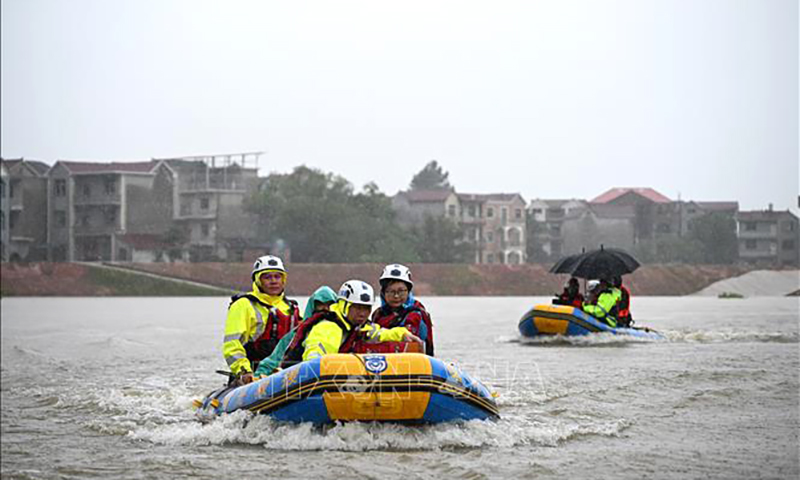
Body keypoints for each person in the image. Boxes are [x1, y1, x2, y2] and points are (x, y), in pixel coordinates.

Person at [281, 280, 421, 368]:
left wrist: (402, 334)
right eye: (357, 307)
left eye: (366, 308)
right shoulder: (328, 327)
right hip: (300, 378)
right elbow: (316, 353)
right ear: (344, 305)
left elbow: (380, 334)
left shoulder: (359, 325)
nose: (362, 313)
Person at [222, 255, 301, 385]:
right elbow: (232, 344)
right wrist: (244, 371)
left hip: (285, 373)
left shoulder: (291, 307)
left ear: (283, 279)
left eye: (277, 276)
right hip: (253, 374)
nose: (273, 281)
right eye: (267, 277)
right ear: (258, 280)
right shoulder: (243, 305)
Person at [253, 285, 338, 379]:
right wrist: (257, 378)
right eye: (320, 304)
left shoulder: (348, 333)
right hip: (299, 381)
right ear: (313, 307)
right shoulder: (295, 335)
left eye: (329, 304)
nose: (325, 309)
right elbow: (272, 361)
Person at [370, 264, 435, 356]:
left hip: (413, 362)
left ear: (408, 292)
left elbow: (411, 340)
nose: (396, 296)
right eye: (391, 291)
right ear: (383, 293)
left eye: (401, 291)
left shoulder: (415, 313)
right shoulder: (378, 314)